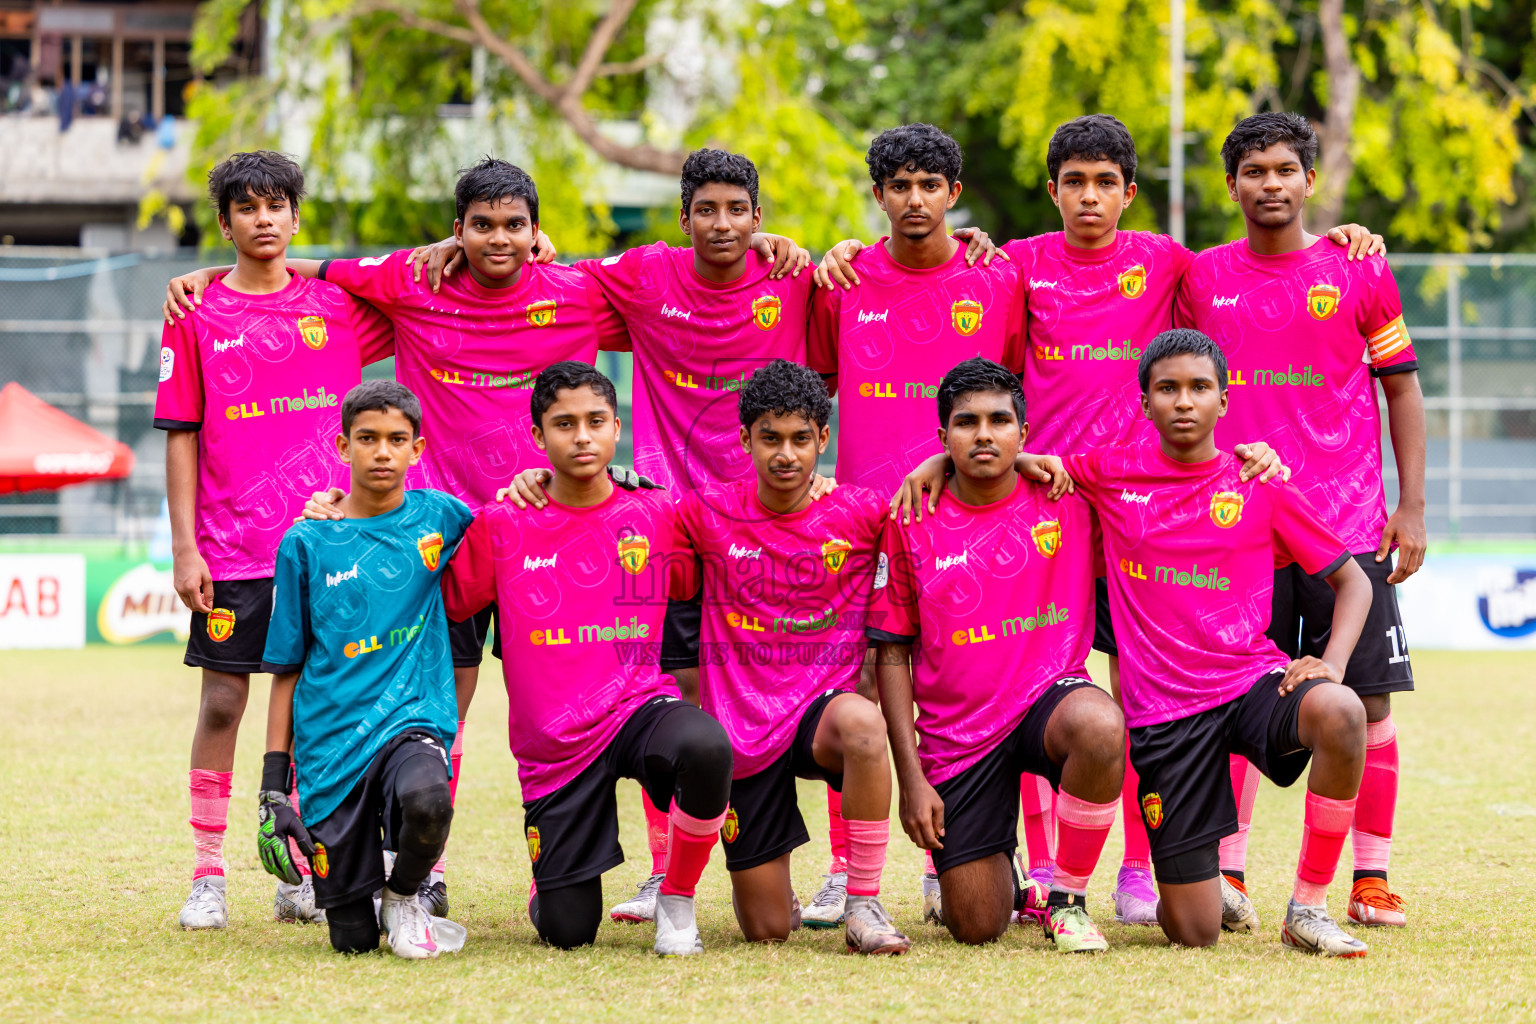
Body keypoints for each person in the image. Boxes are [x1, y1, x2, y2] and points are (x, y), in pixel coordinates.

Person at [843, 113, 1383, 929]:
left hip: (1143, 507)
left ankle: (1141, 865)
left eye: (1105, 183)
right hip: (1044, 502)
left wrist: (1342, 240)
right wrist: (939, 454)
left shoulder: (1172, 262)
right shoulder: (1014, 261)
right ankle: (1020, 866)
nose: (1090, 197)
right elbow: (958, 286)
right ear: (1052, 190)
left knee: (1140, 690)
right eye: (1074, 182)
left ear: (1129, 193)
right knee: (1021, 675)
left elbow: (1253, 290)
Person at [162, 158, 629, 917]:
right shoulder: (218, 314)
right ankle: (241, 873)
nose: (498, 238)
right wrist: (218, 274)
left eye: (514, 225)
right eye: (482, 226)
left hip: (509, 534)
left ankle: (498, 865)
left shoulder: (550, 295)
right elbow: (303, 274)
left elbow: (688, 288)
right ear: (457, 231)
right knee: (269, 704)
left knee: (516, 707)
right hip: (345, 544)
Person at [1176, 112, 1426, 930]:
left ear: (1310, 181)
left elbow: (1401, 388)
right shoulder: (1200, 277)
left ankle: (1371, 878)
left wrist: (1411, 505)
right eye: (1254, 170)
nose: (1271, 184)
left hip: (1347, 523)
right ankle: (1233, 873)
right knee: (1232, 693)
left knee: (1369, 704)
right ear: (1232, 185)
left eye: (1286, 169)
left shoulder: (1357, 266)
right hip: (1237, 532)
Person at [1063, 328, 1374, 955]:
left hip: (1251, 681)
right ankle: (1204, 884)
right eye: (1168, 389)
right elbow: (1020, 466)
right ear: (1144, 402)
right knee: (1194, 932)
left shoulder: (1257, 482)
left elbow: (1353, 582)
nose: (1184, 401)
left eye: (1200, 388)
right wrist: (937, 462)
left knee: (1342, 711)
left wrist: (1332, 663)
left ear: (1224, 402)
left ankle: (1307, 907)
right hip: (1164, 718)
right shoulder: (1105, 472)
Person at [153, 151, 394, 930]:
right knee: (223, 702)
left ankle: (300, 866)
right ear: (224, 222)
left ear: (295, 218)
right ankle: (208, 875)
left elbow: (433, 292)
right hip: (232, 548)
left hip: (328, 546)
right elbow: (181, 434)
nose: (263, 219)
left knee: (317, 710)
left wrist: (539, 249)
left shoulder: (340, 308)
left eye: (277, 205)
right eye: (247, 207)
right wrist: (186, 546)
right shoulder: (196, 313)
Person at [806, 123, 1031, 922]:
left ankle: (955, 860)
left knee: (970, 677)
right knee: (856, 679)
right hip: (866, 520)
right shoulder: (841, 281)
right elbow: (819, 388)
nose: (914, 200)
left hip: (969, 516)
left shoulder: (994, 277)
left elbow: (1002, 396)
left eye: (929, 185)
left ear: (953, 194)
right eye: (898, 185)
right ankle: (844, 868)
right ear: (877, 195)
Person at [440, 361, 734, 956]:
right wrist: (344, 510)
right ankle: (547, 878)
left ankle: (676, 899)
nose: (581, 437)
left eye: (595, 421)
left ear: (616, 429)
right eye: (564, 423)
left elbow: (740, 531)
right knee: (566, 933)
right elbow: (445, 596)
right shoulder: (501, 523)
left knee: (705, 745)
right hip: (556, 748)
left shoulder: (656, 514)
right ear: (536, 437)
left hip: (636, 709)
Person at [869, 357, 1124, 952]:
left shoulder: (1069, 500)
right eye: (966, 423)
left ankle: (1066, 898)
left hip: (1048, 697)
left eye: (999, 421)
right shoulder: (909, 520)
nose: (984, 434)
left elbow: (1164, 472)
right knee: (977, 924)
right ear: (942, 439)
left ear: (1024, 434)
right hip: (960, 738)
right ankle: (1012, 881)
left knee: (1101, 726)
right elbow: (890, 652)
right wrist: (911, 778)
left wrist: (1254, 458)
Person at [674, 358, 907, 953]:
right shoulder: (705, 512)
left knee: (862, 722)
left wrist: (934, 462)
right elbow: (625, 515)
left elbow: (933, 507)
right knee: (768, 929)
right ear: (745, 438)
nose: (786, 454)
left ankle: (862, 903)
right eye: (770, 438)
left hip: (820, 715)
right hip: (743, 733)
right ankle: (778, 892)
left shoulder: (861, 512)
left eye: (801, 438)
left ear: (822, 440)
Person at [256, 381, 472, 958]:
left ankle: (402, 895)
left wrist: (612, 480)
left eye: (397, 439)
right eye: (368, 438)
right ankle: (358, 895)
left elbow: (526, 518)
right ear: (342, 446)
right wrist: (274, 788)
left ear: (417, 449)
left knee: (429, 799)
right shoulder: (305, 541)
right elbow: (287, 669)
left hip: (410, 717)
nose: (382, 452)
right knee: (351, 942)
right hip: (330, 747)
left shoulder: (444, 516)